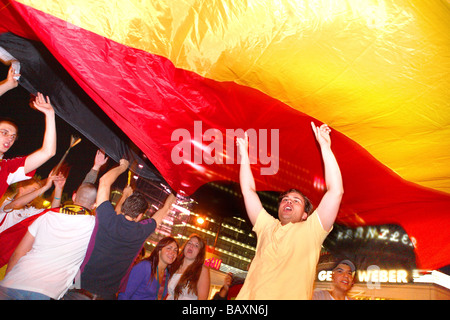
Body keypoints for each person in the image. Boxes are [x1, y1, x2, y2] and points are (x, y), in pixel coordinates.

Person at [235, 122, 344, 300]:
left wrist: (325, 147)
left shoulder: (312, 230)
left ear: (304, 215)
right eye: (285, 199)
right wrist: (243, 155)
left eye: (296, 201)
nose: (288, 202)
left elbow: (335, 191)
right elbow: (248, 190)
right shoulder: (266, 226)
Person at [64, 159, 176, 300]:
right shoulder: (141, 232)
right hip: (106, 296)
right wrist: (177, 189)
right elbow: (165, 208)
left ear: (124, 208)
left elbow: (104, 181)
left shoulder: (107, 218)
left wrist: (123, 166)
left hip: (79, 290)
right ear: (140, 216)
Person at [0, 181, 97, 300]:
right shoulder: (94, 226)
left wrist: (8, 280)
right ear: (94, 205)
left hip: (14, 282)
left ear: (73, 197)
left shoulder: (46, 216)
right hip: (46, 291)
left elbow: (19, 252)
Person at [0, 92, 57, 198]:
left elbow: (48, 152)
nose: (10, 138)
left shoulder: (8, 168)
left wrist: (50, 115)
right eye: (4, 132)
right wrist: (8, 85)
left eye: (13, 136)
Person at [166, 234, 210, 300]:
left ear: (200, 252)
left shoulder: (202, 270)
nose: (191, 246)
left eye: (196, 245)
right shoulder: (174, 264)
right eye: (189, 243)